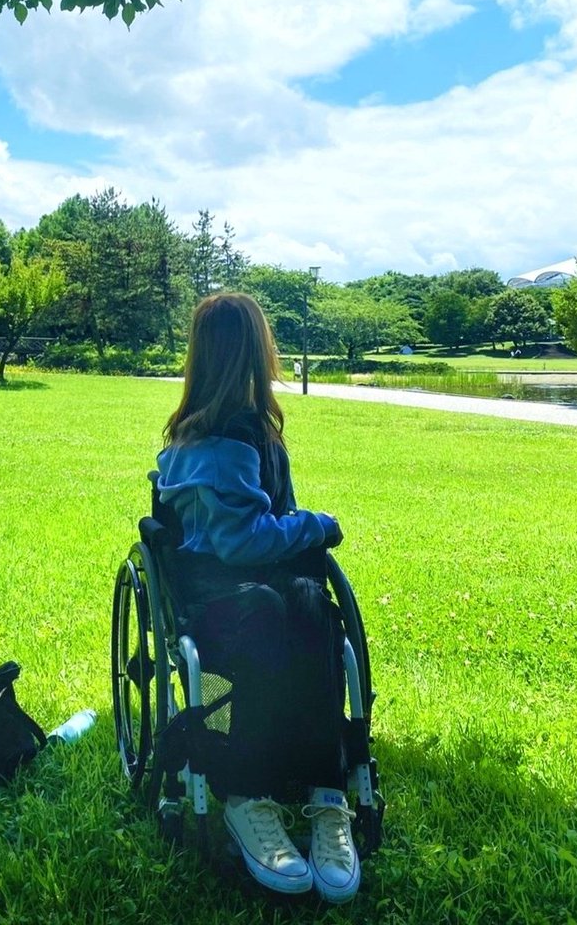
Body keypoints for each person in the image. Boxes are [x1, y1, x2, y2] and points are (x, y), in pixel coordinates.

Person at [155, 292, 360, 902]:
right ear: (255, 351)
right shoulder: (218, 444)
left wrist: (299, 529)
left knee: (308, 603)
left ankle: (327, 794)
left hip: (259, 587)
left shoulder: (254, 435)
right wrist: (319, 526)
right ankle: (246, 791)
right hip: (215, 596)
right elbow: (241, 541)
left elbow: (277, 518)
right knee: (275, 607)